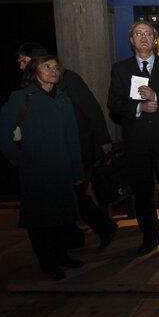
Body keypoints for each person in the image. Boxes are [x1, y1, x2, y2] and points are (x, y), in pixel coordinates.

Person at [17, 43, 118, 250]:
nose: (20, 66)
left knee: (74, 194)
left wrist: (104, 139)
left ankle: (99, 229)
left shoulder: (68, 79)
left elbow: (91, 108)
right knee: (70, 195)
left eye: (24, 61)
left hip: (79, 148)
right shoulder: (31, 88)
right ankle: (79, 236)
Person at [0, 55, 85, 280]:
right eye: (47, 67)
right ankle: (48, 263)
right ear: (34, 72)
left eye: (56, 67)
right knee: (40, 220)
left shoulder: (64, 99)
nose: (53, 70)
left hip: (62, 170)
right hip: (37, 171)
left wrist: (77, 171)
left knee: (63, 217)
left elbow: (73, 138)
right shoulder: (21, 98)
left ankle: (62, 256)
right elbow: (2, 134)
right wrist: (22, 160)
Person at [108, 21, 159, 256]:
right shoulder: (120, 69)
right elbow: (114, 103)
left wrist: (158, 97)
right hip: (137, 143)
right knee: (142, 194)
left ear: (155, 39)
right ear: (131, 40)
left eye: (147, 33)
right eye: (137, 33)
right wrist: (139, 107)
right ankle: (149, 237)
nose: (143, 37)